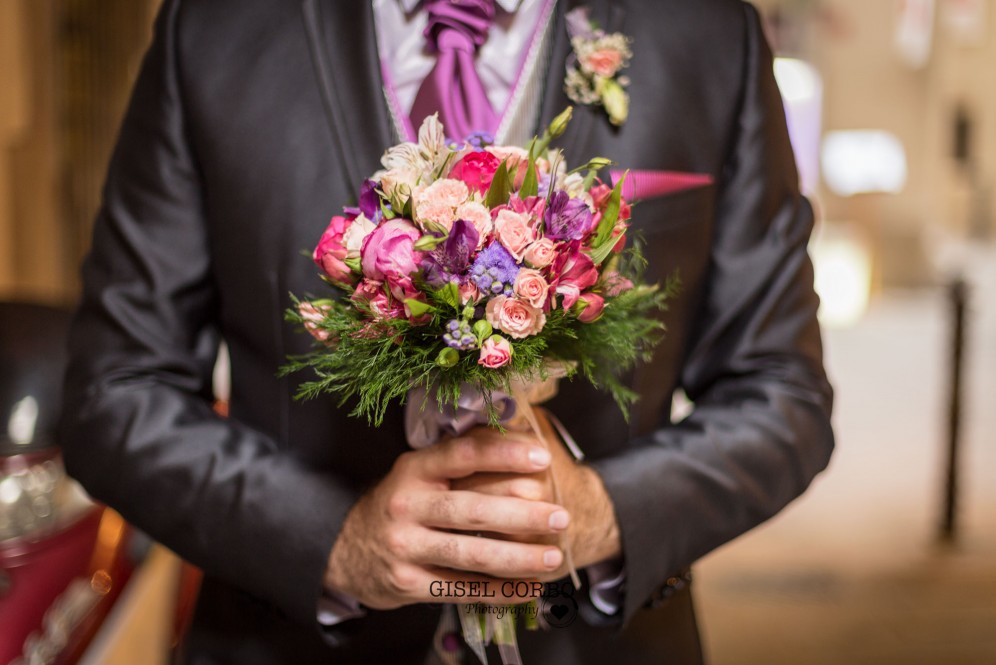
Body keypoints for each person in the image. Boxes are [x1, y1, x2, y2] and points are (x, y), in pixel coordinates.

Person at [60, 0, 834, 663]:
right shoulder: (217, 27)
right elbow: (116, 394)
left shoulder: (703, 31)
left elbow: (783, 397)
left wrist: (596, 513)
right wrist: (333, 538)